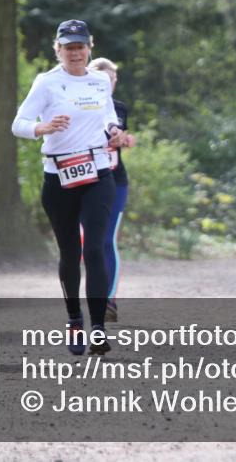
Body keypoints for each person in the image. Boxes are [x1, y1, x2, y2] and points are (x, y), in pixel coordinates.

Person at [12, 20, 127, 356]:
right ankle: (74, 321)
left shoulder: (100, 80)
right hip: (58, 176)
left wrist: (113, 132)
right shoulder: (47, 83)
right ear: (57, 49)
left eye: (81, 47)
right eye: (69, 47)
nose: (75, 53)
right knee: (70, 253)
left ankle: (99, 329)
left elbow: (108, 117)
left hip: (97, 173)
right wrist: (42, 127)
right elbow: (17, 124)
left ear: (89, 48)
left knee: (94, 248)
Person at [87, 57, 135, 322]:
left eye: (110, 80)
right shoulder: (75, 105)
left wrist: (123, 139)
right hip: (81, 183)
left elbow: (115, 134)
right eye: (100, 79)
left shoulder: (118, 109)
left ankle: (109, 300)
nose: (105, 85)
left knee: (106, 240)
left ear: (115, 82)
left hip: (114, 183)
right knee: (88, 243)